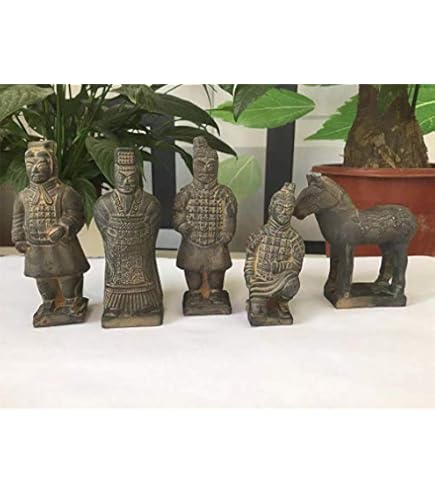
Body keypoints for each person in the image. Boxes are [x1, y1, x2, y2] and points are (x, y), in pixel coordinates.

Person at [11, 140, 90, 326]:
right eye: (30, 164)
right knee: (43, 279)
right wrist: (18, 238)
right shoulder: (23, 196)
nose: (35, 169)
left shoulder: (65, 193)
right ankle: (49, 303)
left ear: (52, 165)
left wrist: (63, 227)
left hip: (62, 247)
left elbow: (75, 215)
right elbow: (18, 219)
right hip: (36, 247)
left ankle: (72, 302)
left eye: (41, 164)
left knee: (68, 276)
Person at [94, 147, 163, 327]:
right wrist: (118, 239)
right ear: (114, 176)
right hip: (117, 255)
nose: (127, 182)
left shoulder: (150, 203)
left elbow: (152, 232)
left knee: (144, 273)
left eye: (132, 177)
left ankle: (147, 306)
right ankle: (115, 307)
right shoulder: (103, 204)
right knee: (115, 276)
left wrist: (137, 236)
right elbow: (104, 232)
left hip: (140, 254)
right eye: (121, 177)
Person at [173, 136, 237, 315]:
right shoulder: (186, 193)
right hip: (192, 242)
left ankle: (216, 293)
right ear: (194, 166)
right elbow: (177, 213)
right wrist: (182, 225)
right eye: (201, 164)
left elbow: (230, 216)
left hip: (217, 242)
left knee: (217, 271)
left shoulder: (224, 193)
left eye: (211, 165)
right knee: (192, 270)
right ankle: (194, 294)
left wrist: (227, 232)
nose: (206, 169)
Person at [244, 182, 305, 325]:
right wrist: (249, 276)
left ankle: (281, 303)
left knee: (293, 282)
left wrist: (276, 266)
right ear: (272, 208)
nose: (284, 212)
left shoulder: (294, 239)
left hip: (281, 280)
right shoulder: (259, 234)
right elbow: (251, 257)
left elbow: (296, 265)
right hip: (260, 281)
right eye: (280, 207)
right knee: (257, 316)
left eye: (289, 208)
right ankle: (257, 300)